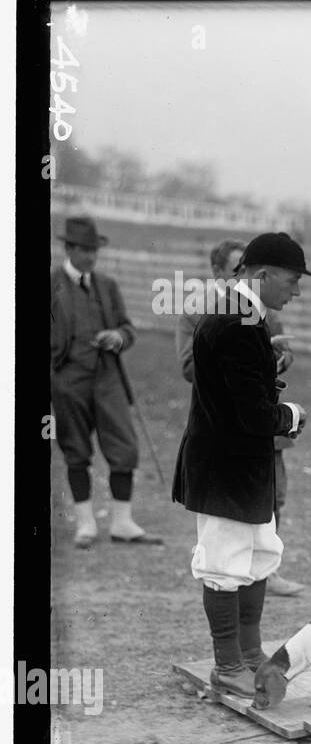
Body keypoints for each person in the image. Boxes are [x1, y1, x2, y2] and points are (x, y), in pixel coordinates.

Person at [172, 232, 311, 697]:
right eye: (292, 281)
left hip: (245, 464)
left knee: (258, 554)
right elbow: (251, 415)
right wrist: (290, 416)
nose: (295, 291)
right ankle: (227, 663)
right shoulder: (236, 321)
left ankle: (251, 654)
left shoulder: (247, 317)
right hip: (223, 466)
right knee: (223, 563)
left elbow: (242, 392)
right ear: (263, 273)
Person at [50, 215, 162, 549]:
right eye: (84, 249)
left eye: (94, 250)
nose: (90, 256)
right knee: (75, 449)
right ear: (68, 248)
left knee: (124, 446)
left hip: (108, 377)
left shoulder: (107, 285)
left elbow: (128, 328)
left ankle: (123, 523)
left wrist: (117, 336)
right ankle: (85, 524)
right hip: (68, 378)